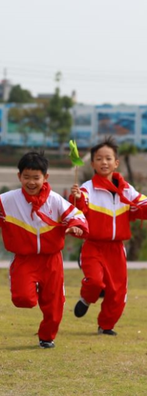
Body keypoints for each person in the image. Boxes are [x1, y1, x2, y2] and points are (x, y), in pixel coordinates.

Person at [0, 151, 88, 349]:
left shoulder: (55, 200)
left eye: (36, 177)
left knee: (54, 304)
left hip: (52, 260)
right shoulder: (7, 200)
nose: (31, 182)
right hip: (24, 259)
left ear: (45, 177)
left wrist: (76, 226)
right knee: (23, 300)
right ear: (19, 177)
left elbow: (77, 215)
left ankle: (46, 337)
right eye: (26, 177)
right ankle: (30, 287)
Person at [70, 137, 147, 336]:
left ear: (116, 162)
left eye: (108, 158)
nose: (104, 162)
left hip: (116, 249)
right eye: (99, 158)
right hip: (93, 245)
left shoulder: (126, 189)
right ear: (93, 163)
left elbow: (142, 203)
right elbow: (79, 207)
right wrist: (77, 198)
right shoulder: (87, 188)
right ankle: (86, 298)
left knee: (118, 291)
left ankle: (106, 325)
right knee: (95, 281)